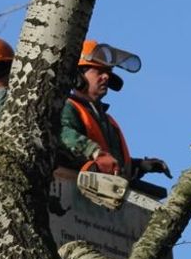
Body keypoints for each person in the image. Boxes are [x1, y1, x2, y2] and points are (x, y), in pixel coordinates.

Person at [61, 39, 171, 180]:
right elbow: (62, 134)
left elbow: (112, 163)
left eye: (108, 72)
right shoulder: (67, 107)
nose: (106, 77)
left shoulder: (108, 121)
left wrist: (139, 165)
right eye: (99, 71)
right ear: (78, 77)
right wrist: (94, 152)